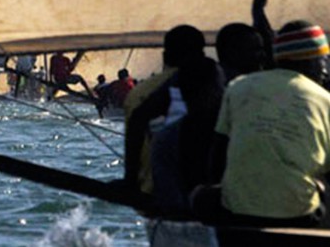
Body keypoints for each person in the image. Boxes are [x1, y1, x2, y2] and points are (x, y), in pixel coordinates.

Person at [193, 21, 330, 228]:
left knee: (199, 196)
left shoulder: (238, 87)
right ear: (309, 60)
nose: (325, 70)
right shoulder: (325, 100)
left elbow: (218, 157)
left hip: (236, 213)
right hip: (301, 216)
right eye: (323, 61)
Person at [124, 25, 204, 196]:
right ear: (202, 55)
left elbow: (135, 133)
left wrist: (129, 181)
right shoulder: (217, 87)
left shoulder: (139, 93)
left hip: (153, 191)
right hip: (202, 193)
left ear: (165, 56)